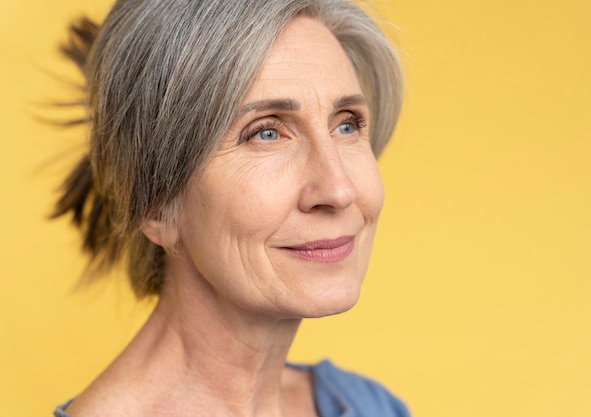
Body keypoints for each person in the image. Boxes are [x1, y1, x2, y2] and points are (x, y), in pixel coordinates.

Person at [51, 0, 407, 416]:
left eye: (347, 124)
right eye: (267, 133)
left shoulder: (371, 405)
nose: (339, 189)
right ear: (154, 204)